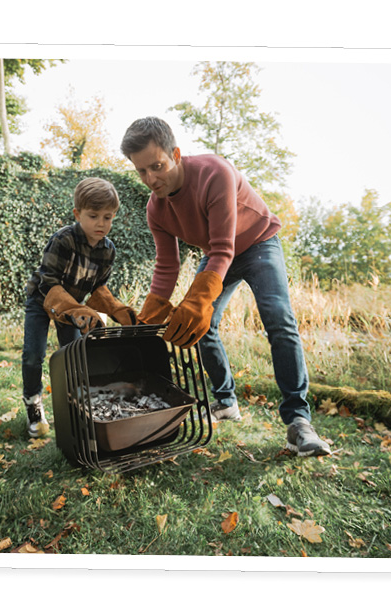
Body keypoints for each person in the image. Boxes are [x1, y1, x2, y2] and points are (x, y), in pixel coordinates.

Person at [120, 117, 330, 457]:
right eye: (141, 172)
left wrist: (196, 298)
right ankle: (226, 400)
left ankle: (298, 421)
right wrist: (152, 311)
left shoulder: (214, 172)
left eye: (157, 166)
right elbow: (167, 266)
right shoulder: (155, 209)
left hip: (258, 242)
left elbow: (223, 247)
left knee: (278, 317)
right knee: (202, 327)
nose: (151, 179)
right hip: (219, 255)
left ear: (175, 153)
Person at [21, 177, 138, 438]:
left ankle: (74, 408)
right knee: (33, 355)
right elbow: (49, 281)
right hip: (42, 300)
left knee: (72, 357)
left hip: (74, 308)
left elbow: (98, 288)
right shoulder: (63, 240)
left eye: (108, 217)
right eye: (93, 216)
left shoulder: (108, 251)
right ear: (77, 214)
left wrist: (113, 308)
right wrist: (73, 309)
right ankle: (33, 404)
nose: (101, 223)